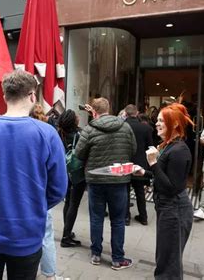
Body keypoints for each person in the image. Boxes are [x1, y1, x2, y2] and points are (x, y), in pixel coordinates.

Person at [0, 71, 67, 279]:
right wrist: (34, 204)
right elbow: (58, 189)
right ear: (32, 96)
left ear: (4, 96)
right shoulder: (47, 134)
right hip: (27, 234)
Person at [133, 103, 194, 279]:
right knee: (165, 256)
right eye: (157, 120)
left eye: (162, 120)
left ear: (174, 124)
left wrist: (152, 163)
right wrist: (145, 171)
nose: (157, 124)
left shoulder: (179, 150)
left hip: (174, 209)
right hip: (167, 208)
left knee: (169, 261)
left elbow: (171, 187)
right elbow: (164, 176)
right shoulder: (169, 145)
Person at [75, 97, 136, 270]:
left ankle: (95, 254)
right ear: (108, 109)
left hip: (95, 180)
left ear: (93, 111)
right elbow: (133, 149)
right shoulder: (125, 127)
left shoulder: (89, 130)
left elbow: (79, 154)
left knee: (96, 218)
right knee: (118, 220)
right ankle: (117, 258)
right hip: (119, 180)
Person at [29, 103, 61, 280]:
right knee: (46, 235)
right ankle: (49, 275)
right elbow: (59, 182)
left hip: (26, 195)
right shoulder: (48, 133)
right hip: (41, 195)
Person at [58, 109, 85, 247]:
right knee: (74, 204)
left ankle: (67, 230)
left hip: (64, 172)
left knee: (68, 202)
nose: (79, 117)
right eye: (77, 116)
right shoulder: (79, 134)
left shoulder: (59, 133)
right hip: (77, 173)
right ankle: (66, 236)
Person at [124, 104, 153, 226]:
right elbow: (150, 147)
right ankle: (144, 217)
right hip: (140, 164)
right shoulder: (145, 128)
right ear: (137, 113)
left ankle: (126, 217)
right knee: (140, 191)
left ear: (125, 113)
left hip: (125, 162)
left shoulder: (122, 126)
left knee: (125, 191)